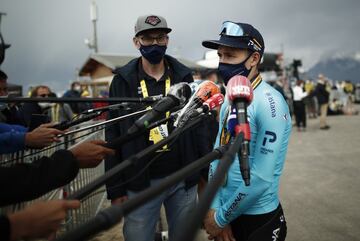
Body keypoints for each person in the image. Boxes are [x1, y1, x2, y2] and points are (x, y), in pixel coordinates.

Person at [105, 14, 209, 241]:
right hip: (139, 181)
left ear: (167, 40)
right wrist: (115, 188)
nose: (154, 44)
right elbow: (112, 132)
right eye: (147, 38)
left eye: (160, 38)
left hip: (182, 178)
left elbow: (198, 126)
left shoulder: (184, 76)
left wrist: (203, 174)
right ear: (136, 42)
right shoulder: (122, 80)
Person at [202, 21, 291, 241]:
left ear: (254, 59)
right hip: (224, 210)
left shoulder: (272, 103)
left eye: (230, 56)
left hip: (257, 218)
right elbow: (216, 155)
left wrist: (220, 218)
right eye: (220, 55)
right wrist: (213, 207)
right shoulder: (230, 96)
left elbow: (261, 177)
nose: (222, 63)